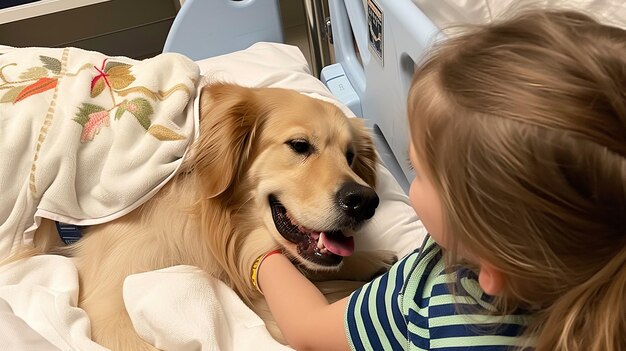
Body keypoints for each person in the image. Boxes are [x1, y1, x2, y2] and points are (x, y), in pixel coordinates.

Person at [255, 9, 626, 351]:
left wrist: (263, 260)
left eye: (418, 171)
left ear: (491, 268)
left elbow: (308, 330)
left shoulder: (436, 301)